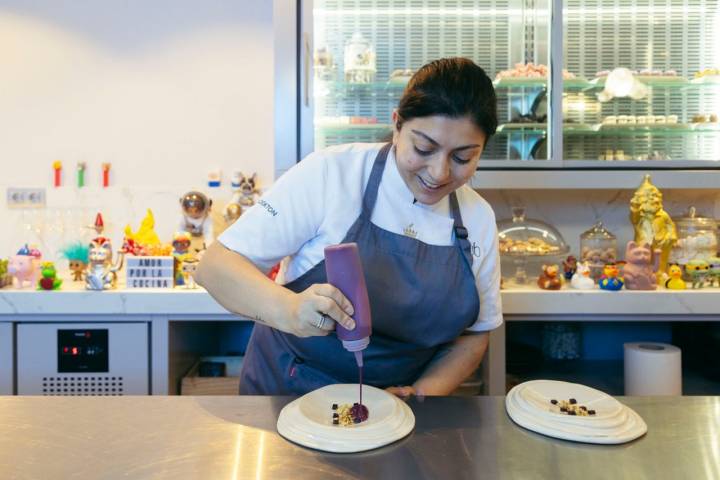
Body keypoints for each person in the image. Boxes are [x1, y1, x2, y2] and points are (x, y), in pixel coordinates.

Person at [195, 57, 502, 397]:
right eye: (424, 148)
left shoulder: (477, 219)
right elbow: (215, 267)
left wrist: (419, 393)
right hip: (290, 393)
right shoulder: (332, 174)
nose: (439, 172)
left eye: (463, 158)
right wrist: (290, 309)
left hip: (396, 412)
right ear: (397, 124)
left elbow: (473, 336)